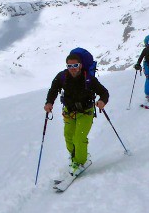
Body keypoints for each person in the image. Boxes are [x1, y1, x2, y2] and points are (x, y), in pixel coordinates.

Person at [43, 47, 109, 175]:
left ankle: (80, 161)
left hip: (86, 112)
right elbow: (53, 90)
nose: (72, 68)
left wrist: (102, 101)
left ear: (80, 65)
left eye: (75, 65)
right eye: (69, 65)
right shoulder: (62, 77)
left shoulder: (89, 78)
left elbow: (104, 92)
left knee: (79, 137)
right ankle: (75, 156)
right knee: (68, 136)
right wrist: (49, 102)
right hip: (69, 111)